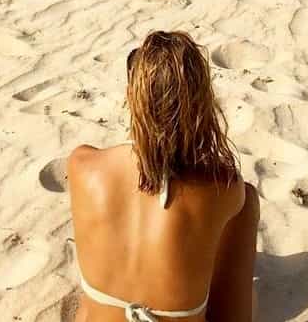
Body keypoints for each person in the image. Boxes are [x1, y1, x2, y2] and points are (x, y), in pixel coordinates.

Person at [68, 31, 260, 321]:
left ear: (131, 96)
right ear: (202, 103)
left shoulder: (82, 165)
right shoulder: (222, 188)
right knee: (246, 203)